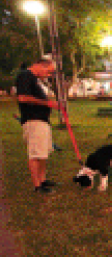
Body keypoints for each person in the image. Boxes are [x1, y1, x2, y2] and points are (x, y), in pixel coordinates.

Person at [16, 55, 60, 194]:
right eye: (49, 71)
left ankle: (43, 180)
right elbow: (23, 98)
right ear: (41, 65)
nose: (48, 75)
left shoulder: (34, 79)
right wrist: (47, 103)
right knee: (35, 153)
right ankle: (37, 186)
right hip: (33, 120)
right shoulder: (25, 76)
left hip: (41, 120)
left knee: (43, 153)